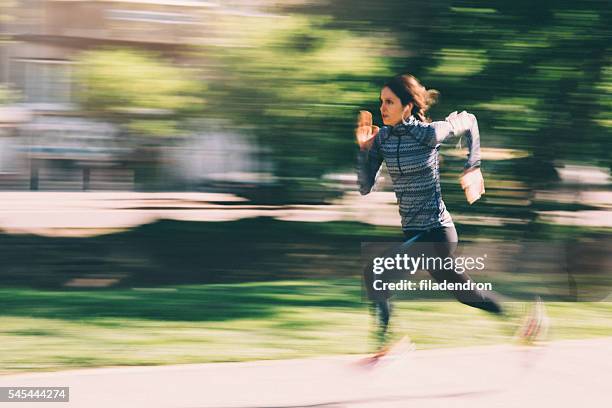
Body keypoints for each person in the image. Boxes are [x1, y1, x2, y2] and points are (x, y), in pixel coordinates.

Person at [355, 74, 545, 359]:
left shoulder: (429, 133)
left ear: (407, 107)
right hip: (416, 235)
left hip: (436, 233)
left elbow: (469, 120)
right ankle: (524, 323)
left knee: (376, 273)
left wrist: (473, 166)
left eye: (390, 102)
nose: (382, 108)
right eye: (381, 101)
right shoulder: (382, 139)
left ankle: (386, 343)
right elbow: (364, 187)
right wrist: (363, 151)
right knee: (467, 295)